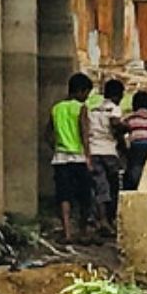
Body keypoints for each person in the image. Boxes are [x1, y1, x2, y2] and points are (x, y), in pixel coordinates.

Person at [46, 73, 94, 243]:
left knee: (64, 196)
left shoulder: (56, 108)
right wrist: (88, 157)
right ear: (81, 91)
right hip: (78, 158)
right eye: (87, 93)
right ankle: (82, 232)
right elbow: (84, 133)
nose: (86, 97)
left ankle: (67, 233)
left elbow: (48, 134)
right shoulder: (80, 108)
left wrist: (57, 147)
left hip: (60, 159)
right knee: (84, 197)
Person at [86, 78, 127, 237]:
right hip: (109, 151)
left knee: (99, 187)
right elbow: (116, 124)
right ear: (118, 95)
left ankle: (101, 220)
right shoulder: (114, 109)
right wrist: (125, 128)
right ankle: (109, 221)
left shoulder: (94, 110)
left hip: (94, 151)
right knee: (113, 187)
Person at [121, 90, 147, 191]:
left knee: (135, 167)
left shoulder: (131, 118)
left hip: (137, 146)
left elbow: (121, 128)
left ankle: (135, 186)